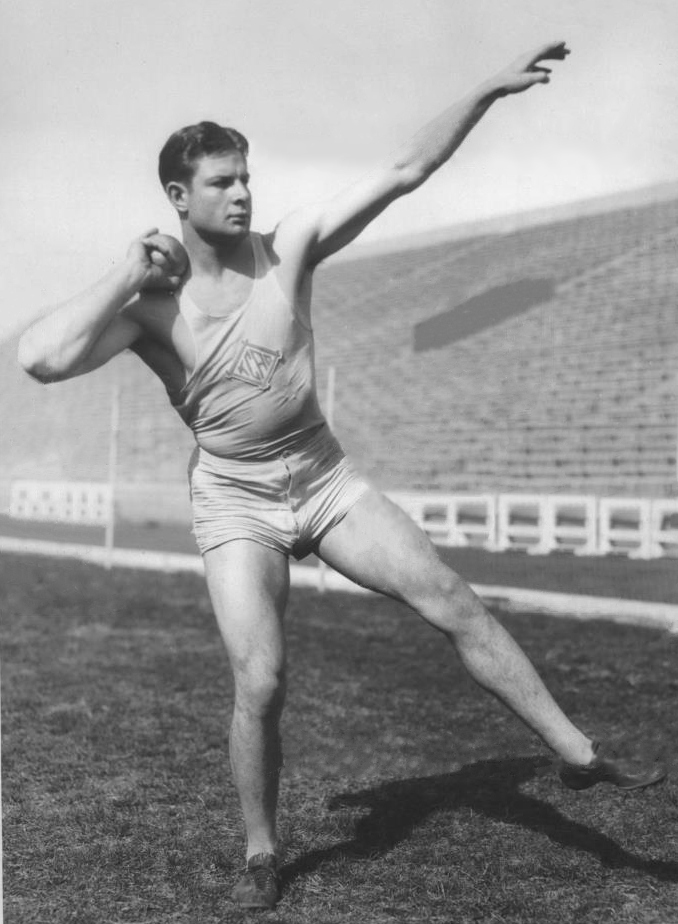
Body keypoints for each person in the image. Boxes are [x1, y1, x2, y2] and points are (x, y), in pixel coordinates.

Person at [18, 41, 665, 911]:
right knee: (263, 679)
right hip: (236, 499)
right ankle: (261, 854)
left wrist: (484, 90)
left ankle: (579, 754)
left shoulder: (291, 248)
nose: (244, 192)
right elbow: (41, 360)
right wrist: (125, 271)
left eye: (246, 175)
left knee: (450, 595)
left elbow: (405, 169)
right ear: (178, 196)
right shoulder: (151, 313)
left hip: (322, 477)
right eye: (221, 181)